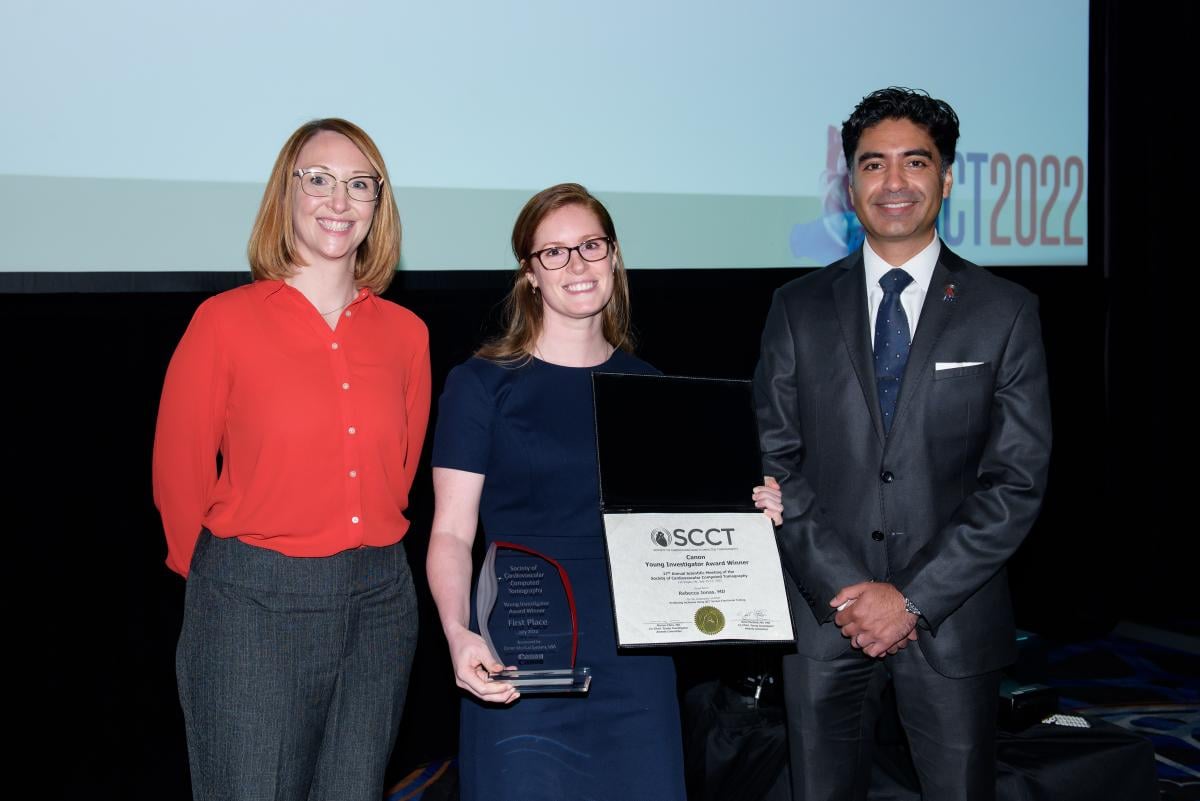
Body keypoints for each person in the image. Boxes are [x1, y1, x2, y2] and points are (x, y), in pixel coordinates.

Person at [427, 182, 782, 800]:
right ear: (530, 274)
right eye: (554, 252)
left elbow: (685, 530)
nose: (578, 264)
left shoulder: (650, 388)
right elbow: (452, 534)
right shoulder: (481, 385)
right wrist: (459, 634)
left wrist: (751, 512)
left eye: (591, 245)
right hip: (524, 654)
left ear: (614, 256)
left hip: (636, 665)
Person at [754, 87, 1051, 801]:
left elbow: (1016, 480)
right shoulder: (795, 309)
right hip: (825, 619)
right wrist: (847, 596)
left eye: (914, 163)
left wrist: (911, 599)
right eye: (872, 164)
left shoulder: (1004, 312)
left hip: (952, 619)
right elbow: (778, 459)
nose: (893, 183)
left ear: (945, 178)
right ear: (848, 184)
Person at [153, 118, 430, 801]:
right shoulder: (223, 322)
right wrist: (229, 587)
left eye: (359, 184)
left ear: (377, 204)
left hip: (379, 605)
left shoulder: (407, 333)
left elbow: (401, 468)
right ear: (287, 193)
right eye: (319, 179)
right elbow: (177, 474)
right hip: (251, 602)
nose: (340, 200)